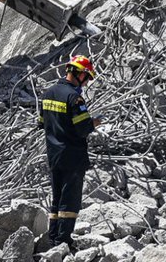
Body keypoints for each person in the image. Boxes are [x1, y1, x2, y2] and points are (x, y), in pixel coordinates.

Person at [38, 55, 102, 249]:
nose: (87, 81)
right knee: (70, 200)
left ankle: (53, 237)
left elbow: (41, 123)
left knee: (57, 198)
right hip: (72, 155)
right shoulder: (74, 98)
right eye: (87, 77)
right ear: (79, 73)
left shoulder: (48, 93)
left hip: (54, 154)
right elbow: (82, 128)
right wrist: (95, 122)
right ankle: (63, 240)